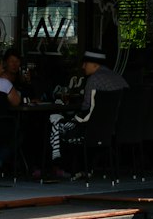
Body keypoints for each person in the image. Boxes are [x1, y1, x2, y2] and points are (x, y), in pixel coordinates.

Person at [48, 49, 128, 178]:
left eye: (85, 63)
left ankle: (60, 166)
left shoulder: (94, 79)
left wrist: (71, 115)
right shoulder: (119, 78)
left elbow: (86, 108)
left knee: (57, 124)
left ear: (95, 65)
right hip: (118, 128)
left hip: (94, 131)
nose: (82, 66)